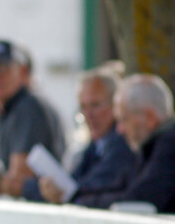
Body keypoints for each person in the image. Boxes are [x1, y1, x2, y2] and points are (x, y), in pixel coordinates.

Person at [23, 68, 136, 203]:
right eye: (83, 107)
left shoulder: (123, 141)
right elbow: (74, 182)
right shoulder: (96, 145)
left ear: (116, 105)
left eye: (95, 105)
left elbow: (85, 187)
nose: (89, 115)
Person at [73, 74, 175, 212]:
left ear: (150, 118)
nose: (119, 129)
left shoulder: (169, 146)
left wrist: (80, 202)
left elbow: (139, 200)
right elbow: (125, 190)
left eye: (124, 119)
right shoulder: (151, 146)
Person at [0, 39, 64, 197]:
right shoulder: (2, 108)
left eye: (3, 68)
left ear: (23, 71)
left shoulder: (28, 106)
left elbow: (16, 182)